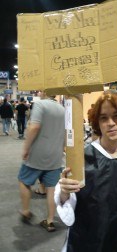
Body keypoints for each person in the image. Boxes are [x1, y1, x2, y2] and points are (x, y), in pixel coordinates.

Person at [54, 92, 117, 252]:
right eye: (103, 118)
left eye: (116, 116)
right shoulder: (81, 158)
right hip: (82, 242)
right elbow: (67, 202)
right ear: (97, 124)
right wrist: (64, 193)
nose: (111, 123)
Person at [18, 92, 65, 232]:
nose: (38, 92)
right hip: (55, 155)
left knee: (23, 181)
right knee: (52, 189)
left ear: (44, 91)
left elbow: (34, 127)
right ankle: (50, 221)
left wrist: (26, 148)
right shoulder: (62, 109)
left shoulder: (39, 104)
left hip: (37, 154)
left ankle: (26, 211)